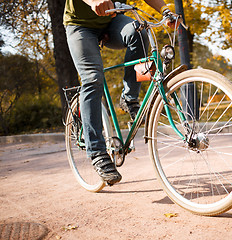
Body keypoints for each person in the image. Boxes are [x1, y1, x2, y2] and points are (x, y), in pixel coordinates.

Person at [63, 0, 177, 186]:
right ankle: (97, 152)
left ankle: (130, 98)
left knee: (139, 31)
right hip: (80, 25)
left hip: (111, 21)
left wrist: (165, 10)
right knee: (92, 78)